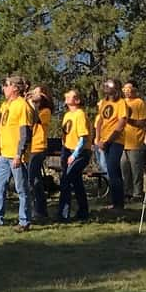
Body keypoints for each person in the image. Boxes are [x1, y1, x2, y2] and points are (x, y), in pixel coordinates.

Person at [0, 75, 34, 232]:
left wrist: (19, 154)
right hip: (4, 153)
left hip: (16, 155)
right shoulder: (5, 105)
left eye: (6, 85)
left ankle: (24, 221)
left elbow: (25, 133)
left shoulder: (22, 106)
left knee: (21, 188)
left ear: (15, 88)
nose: (3, 88)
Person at [93, 78, 127, 213]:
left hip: (116, 141)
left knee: (113, 171)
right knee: (111, 171)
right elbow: (100, 121)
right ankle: (115, 202)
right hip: (104, 141)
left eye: (109, 85)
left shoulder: (121, 103)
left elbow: (121, 122)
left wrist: (109, 140)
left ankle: (119, 204)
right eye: (105, 84)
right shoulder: (104, 103)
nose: (106, 87)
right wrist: (98, 138)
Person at [58, 89, 90, 222]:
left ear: (76, 100)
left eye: (70, 96)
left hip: (80, 152)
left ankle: (63, 214)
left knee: (66, 180)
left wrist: (74, 155)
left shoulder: (80, 114)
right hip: (67, 150)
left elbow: (83, 138)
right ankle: (83, 211)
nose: (66, 97)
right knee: (76, 182)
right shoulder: (67, 115)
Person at [27, 85, 53, 221]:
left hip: (38, 147)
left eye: (38, 93)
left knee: (34, 180)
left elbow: (35, 119)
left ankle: (40, 210)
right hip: (30, 148)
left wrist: (33, 103)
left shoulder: (46, 111)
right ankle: (37, 209)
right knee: (32, 179)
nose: (34, 95)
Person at [121, 81, 146, 201]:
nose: (126, 91)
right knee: (124, 168)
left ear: (134, 90)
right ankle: (127, 192)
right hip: (122, 142)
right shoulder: (121, 103)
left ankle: (138, 194)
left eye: (129, 88)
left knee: (136, 170)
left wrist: (128, 120)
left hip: (136, 142)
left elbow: (142, 122)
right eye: (125, 89)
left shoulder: (139, 103)